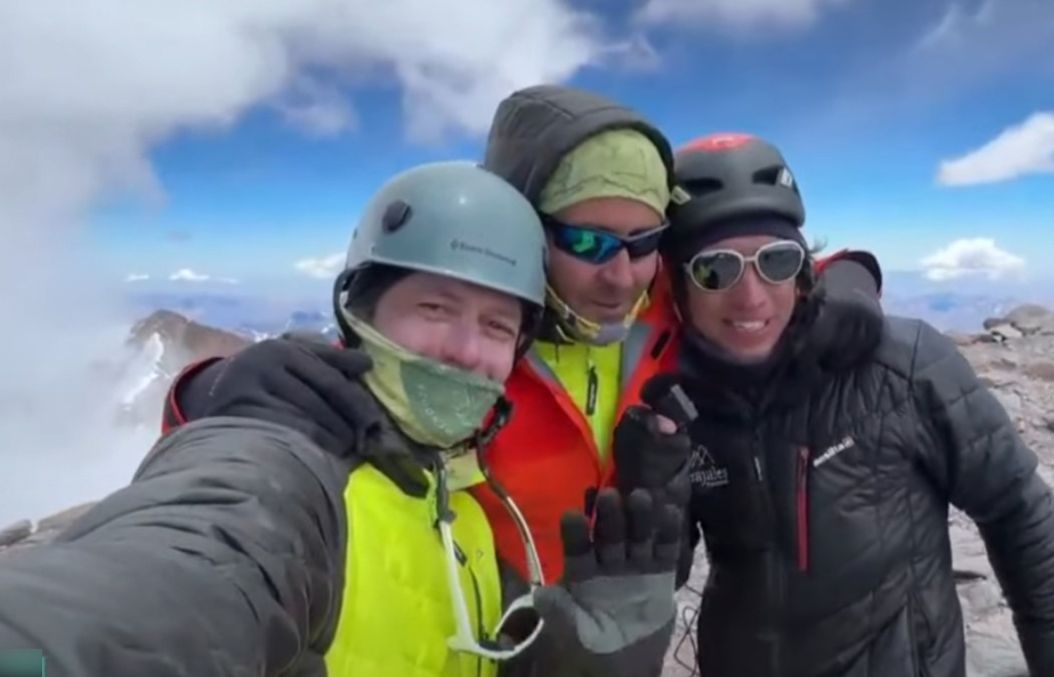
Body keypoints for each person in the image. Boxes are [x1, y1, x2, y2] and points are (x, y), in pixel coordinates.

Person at [158, 84, 889, 588]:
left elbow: (758, 269)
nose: (620, 275)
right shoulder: (473, 344)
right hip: (487, 627)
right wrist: (212, 393)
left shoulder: (660, 296)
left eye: (643, 241)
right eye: (587, 242)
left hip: (620, 623)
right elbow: (315, 410)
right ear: (526, 231)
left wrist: (849, 278)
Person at [0, 162, 685, 677]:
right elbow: (172, 578)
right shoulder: (294, 476)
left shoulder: (465, 514)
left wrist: (600, 645)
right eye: (435, 308)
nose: (465, 350)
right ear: (358, 313)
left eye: (497, 325)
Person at [659, 132, 1054, 677]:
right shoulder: (674, 399)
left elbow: (1016, 508)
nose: (751, 296)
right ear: (676, 284)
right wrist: (652, 483)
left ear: (803, 269)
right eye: (715, 269)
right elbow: (661, 573)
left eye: (775, 260)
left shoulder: (902, 365)